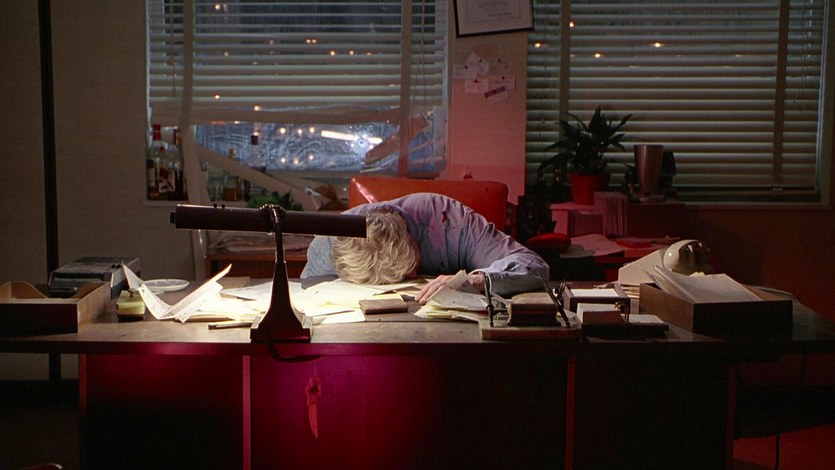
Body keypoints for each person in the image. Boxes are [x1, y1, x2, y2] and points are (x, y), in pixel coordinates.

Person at [300, 192, 550, 303]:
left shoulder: (451, 221)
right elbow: (311, 305)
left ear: (411, 237)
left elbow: (535, 266)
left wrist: (477, 280)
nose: (412, 278)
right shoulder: (326, 245)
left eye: (410, 268)